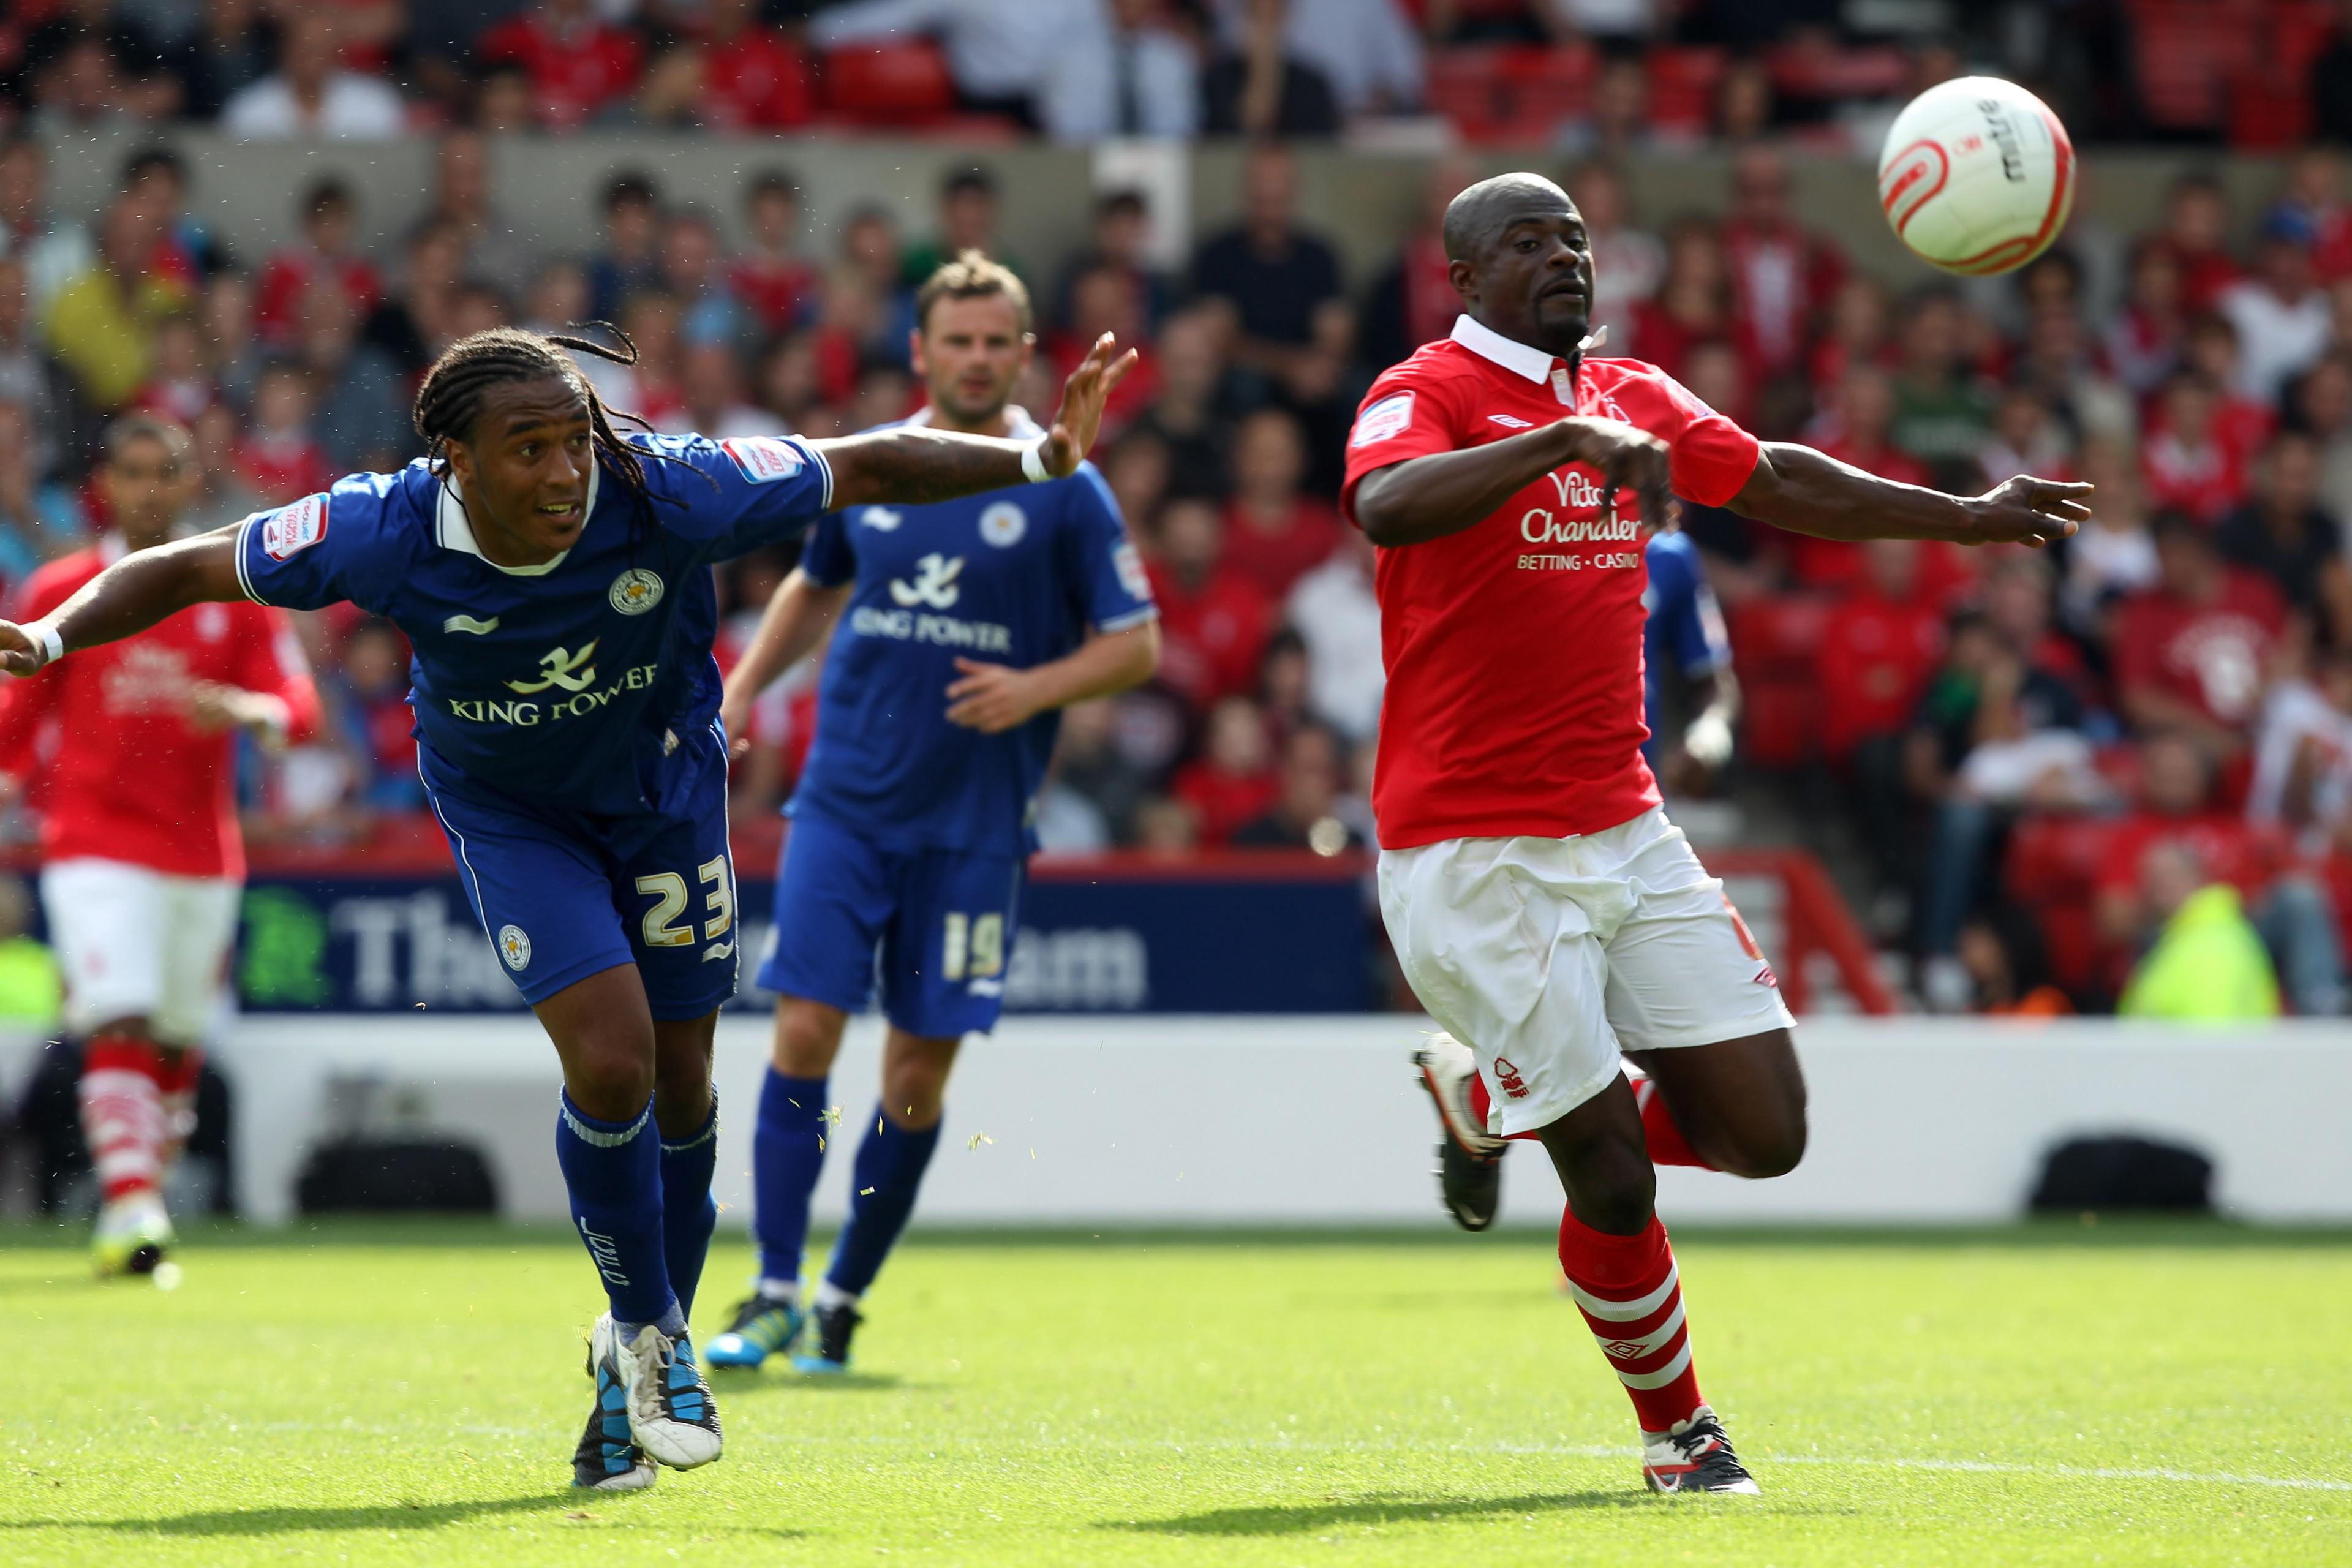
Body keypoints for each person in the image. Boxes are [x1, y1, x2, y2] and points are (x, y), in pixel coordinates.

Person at [0, 322, 1135, 1488]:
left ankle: (628, 1364)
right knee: (612, 1062)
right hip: (512, 812)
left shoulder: (669, 488)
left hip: (663, 799)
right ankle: (652, 1336)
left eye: (574, 442)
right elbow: (192, 562)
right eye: (528, 449)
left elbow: (870, 462)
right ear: (457, 460)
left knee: (686, 1084)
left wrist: (1042, 461)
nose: (562, 472)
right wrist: (51, 633)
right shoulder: (382, 525)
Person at [1343, 172, 2085, 1496]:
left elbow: (1780, 479)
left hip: (1624, 822)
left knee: (1765, 1130)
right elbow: (1387, 505)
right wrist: (1557, 448)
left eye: (1572, 238)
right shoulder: (1430, 387)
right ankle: (1679, 1434)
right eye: (1526, 243)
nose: (1563, 257)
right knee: (1615, 1179)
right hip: (1474, 849)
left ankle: (1491, 1098)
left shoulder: (1631, 393)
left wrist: (1965, 518)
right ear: (1462, 278)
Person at [706, 254, 1158, 1376]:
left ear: (1022, 351)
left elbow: (1136, 643)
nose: (974, 358)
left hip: (974, 826)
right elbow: (815, 580)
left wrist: (1034, 690)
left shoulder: (1066, 483)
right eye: (955, 341)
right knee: (803, 1030)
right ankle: (770, 1286)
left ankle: (844, 1292)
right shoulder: (883, 465)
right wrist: (744, 685)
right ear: (920, 351)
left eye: (994, 342)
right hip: (845, 806)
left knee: (915, 1077)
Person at [0, 415, 319, 1279]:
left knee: (177, 1044)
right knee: (123, 1015)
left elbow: (297, 703)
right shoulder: (63, 588)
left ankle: (134, 1206)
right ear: (105, 483)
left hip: (202, 851)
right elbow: (16, 728)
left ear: (189, 484)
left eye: (165, 473)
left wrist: (255, 713)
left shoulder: (229, 590)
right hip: (93, 843)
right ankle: (137, 1206)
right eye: (133, 472)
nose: (148, 489)